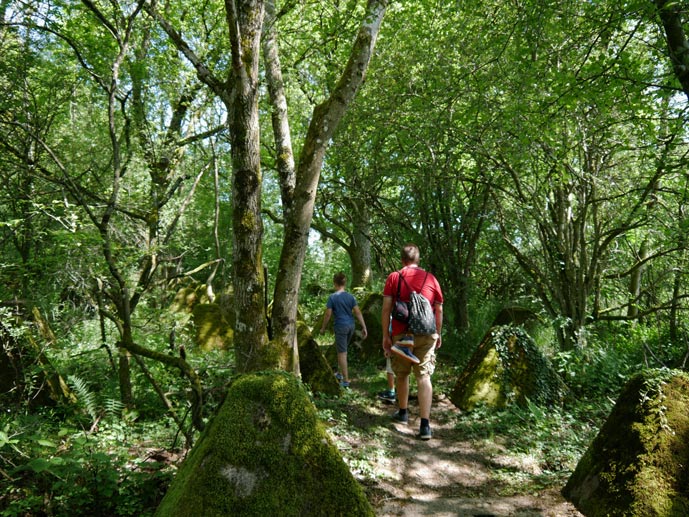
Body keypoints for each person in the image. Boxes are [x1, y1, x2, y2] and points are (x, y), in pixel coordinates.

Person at [381, 243, 443, 440]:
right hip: (426, 333)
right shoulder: (431, 278)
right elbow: (439, 309)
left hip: (402, 335)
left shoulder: (395, 277)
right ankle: (425, 425)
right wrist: (438, 333)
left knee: (402, 374)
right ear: (418, 260)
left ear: (402, 260)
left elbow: (386, 309)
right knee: (424, 377)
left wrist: (386, 335)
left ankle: (403, 412)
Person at [320, 272, 368, 388]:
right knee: (341, 350)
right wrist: (364, 326)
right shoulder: (350, 297)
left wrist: (323, 328)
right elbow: (357, 312)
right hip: (351, 326)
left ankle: (346, 380)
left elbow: (328, 314)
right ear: (344, 283)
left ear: (335, 283)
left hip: (340, 326)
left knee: (342, 353)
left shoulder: (332, 297)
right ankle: (340, 374)